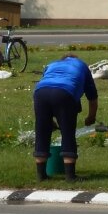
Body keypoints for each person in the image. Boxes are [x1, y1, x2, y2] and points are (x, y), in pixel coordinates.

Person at [33, 54, 98, 183]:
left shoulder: (52, 64)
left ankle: (41, 175)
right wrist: (91, 117)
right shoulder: (82, 66)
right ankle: (70, 176)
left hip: (40, 93)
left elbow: (43, 86)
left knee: (42, 132)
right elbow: (92, 97)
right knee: (68, 133)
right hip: (65, 93)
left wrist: (48, 120)